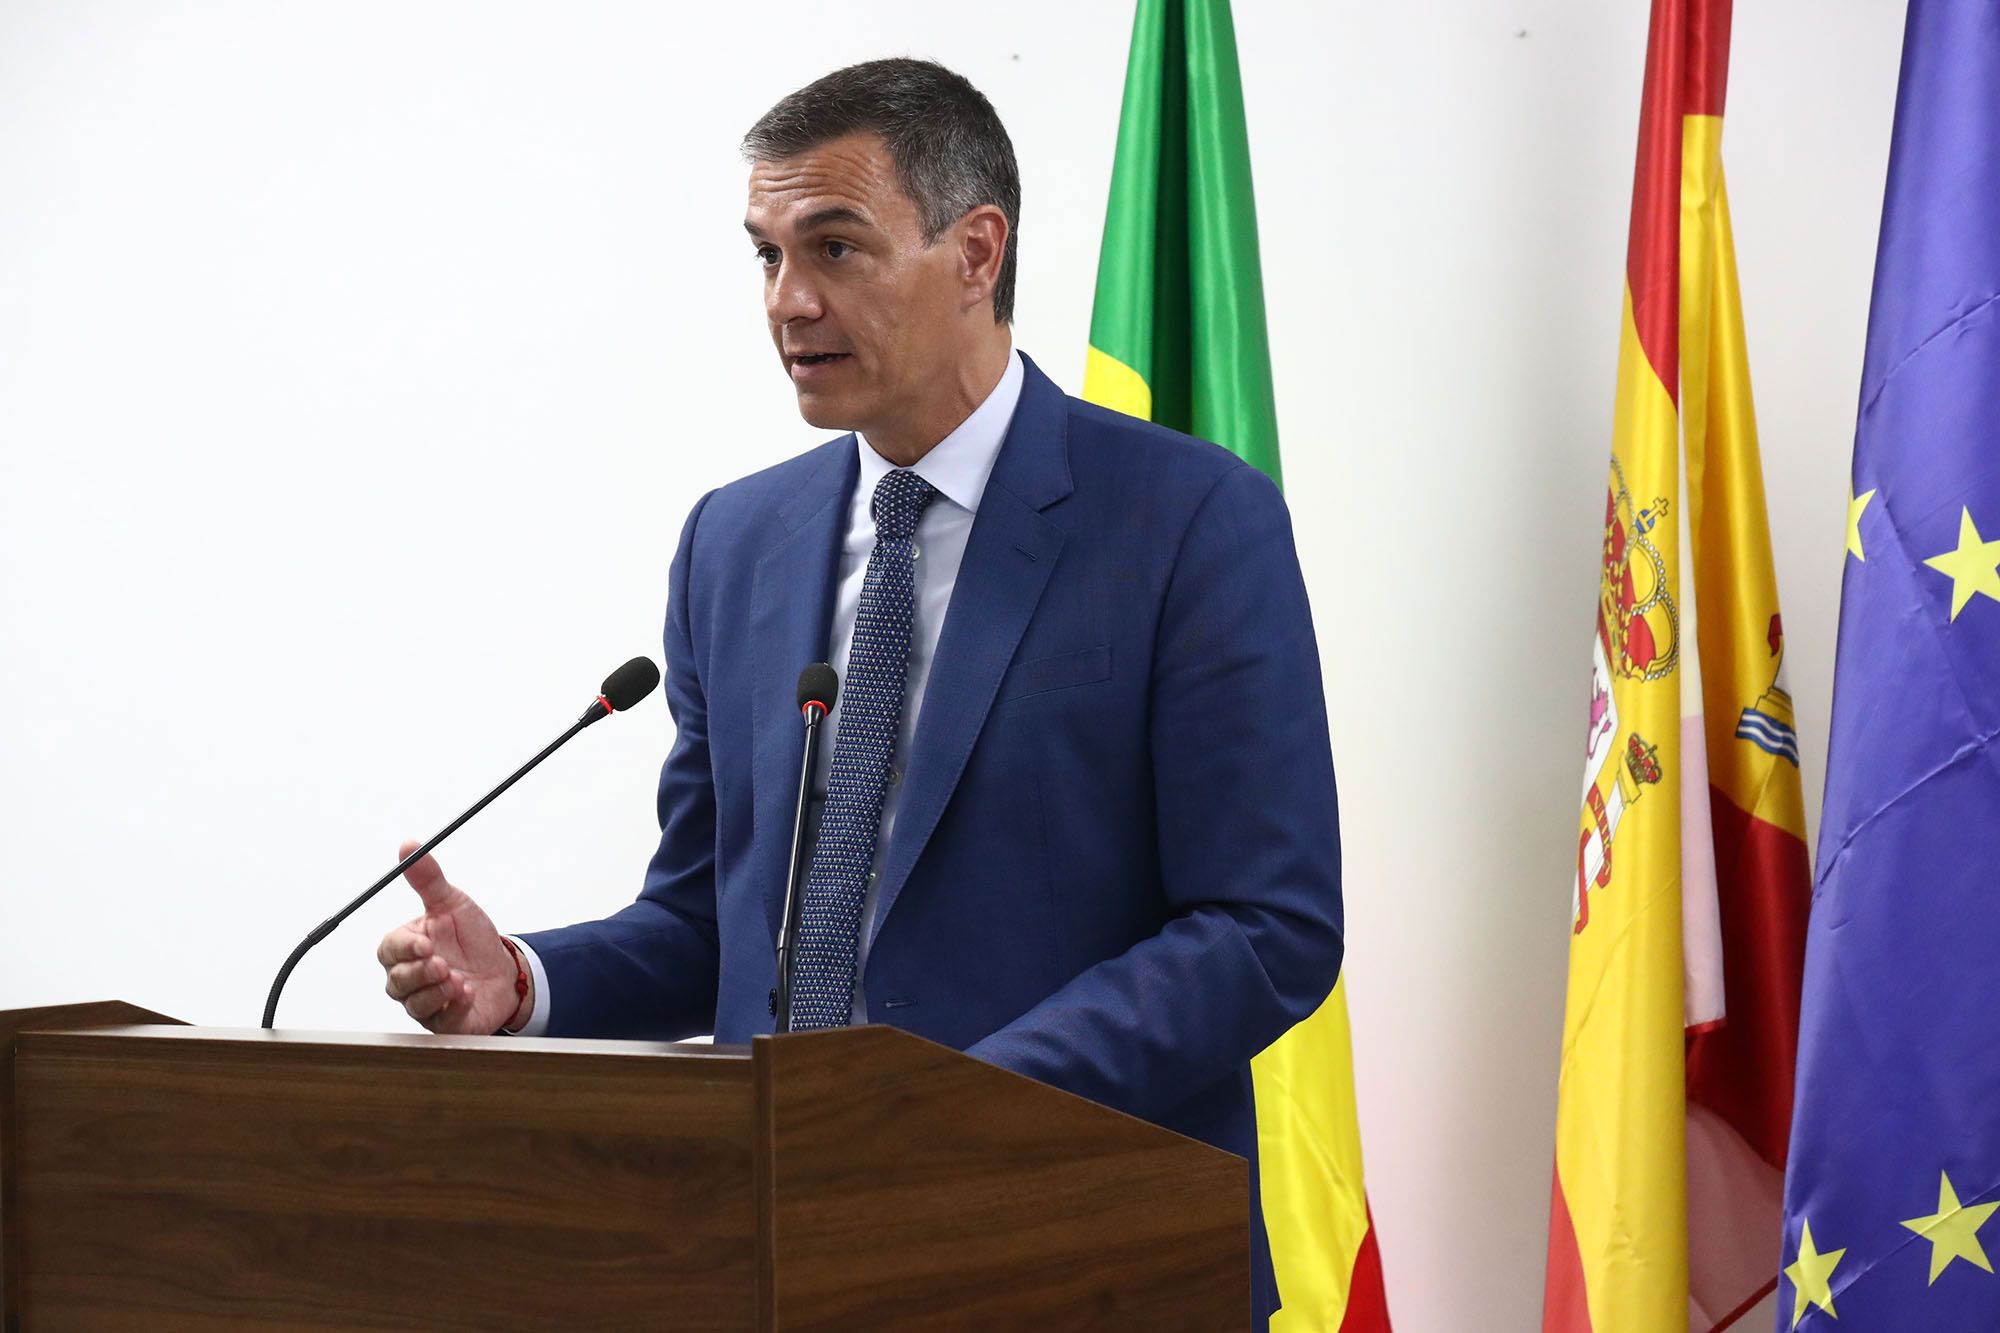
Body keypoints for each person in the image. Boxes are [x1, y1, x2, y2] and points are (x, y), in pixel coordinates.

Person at [375, 57, 1341, 1328]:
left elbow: (1263, 927)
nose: (789, 300)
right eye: (766, 255)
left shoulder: (1187, 519)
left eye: (835, 247)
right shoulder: (736, 541)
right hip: (764, 1251)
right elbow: (715, 923)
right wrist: (522, 983)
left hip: (1079, 1247)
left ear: (976, 250)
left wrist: (945, 1110)